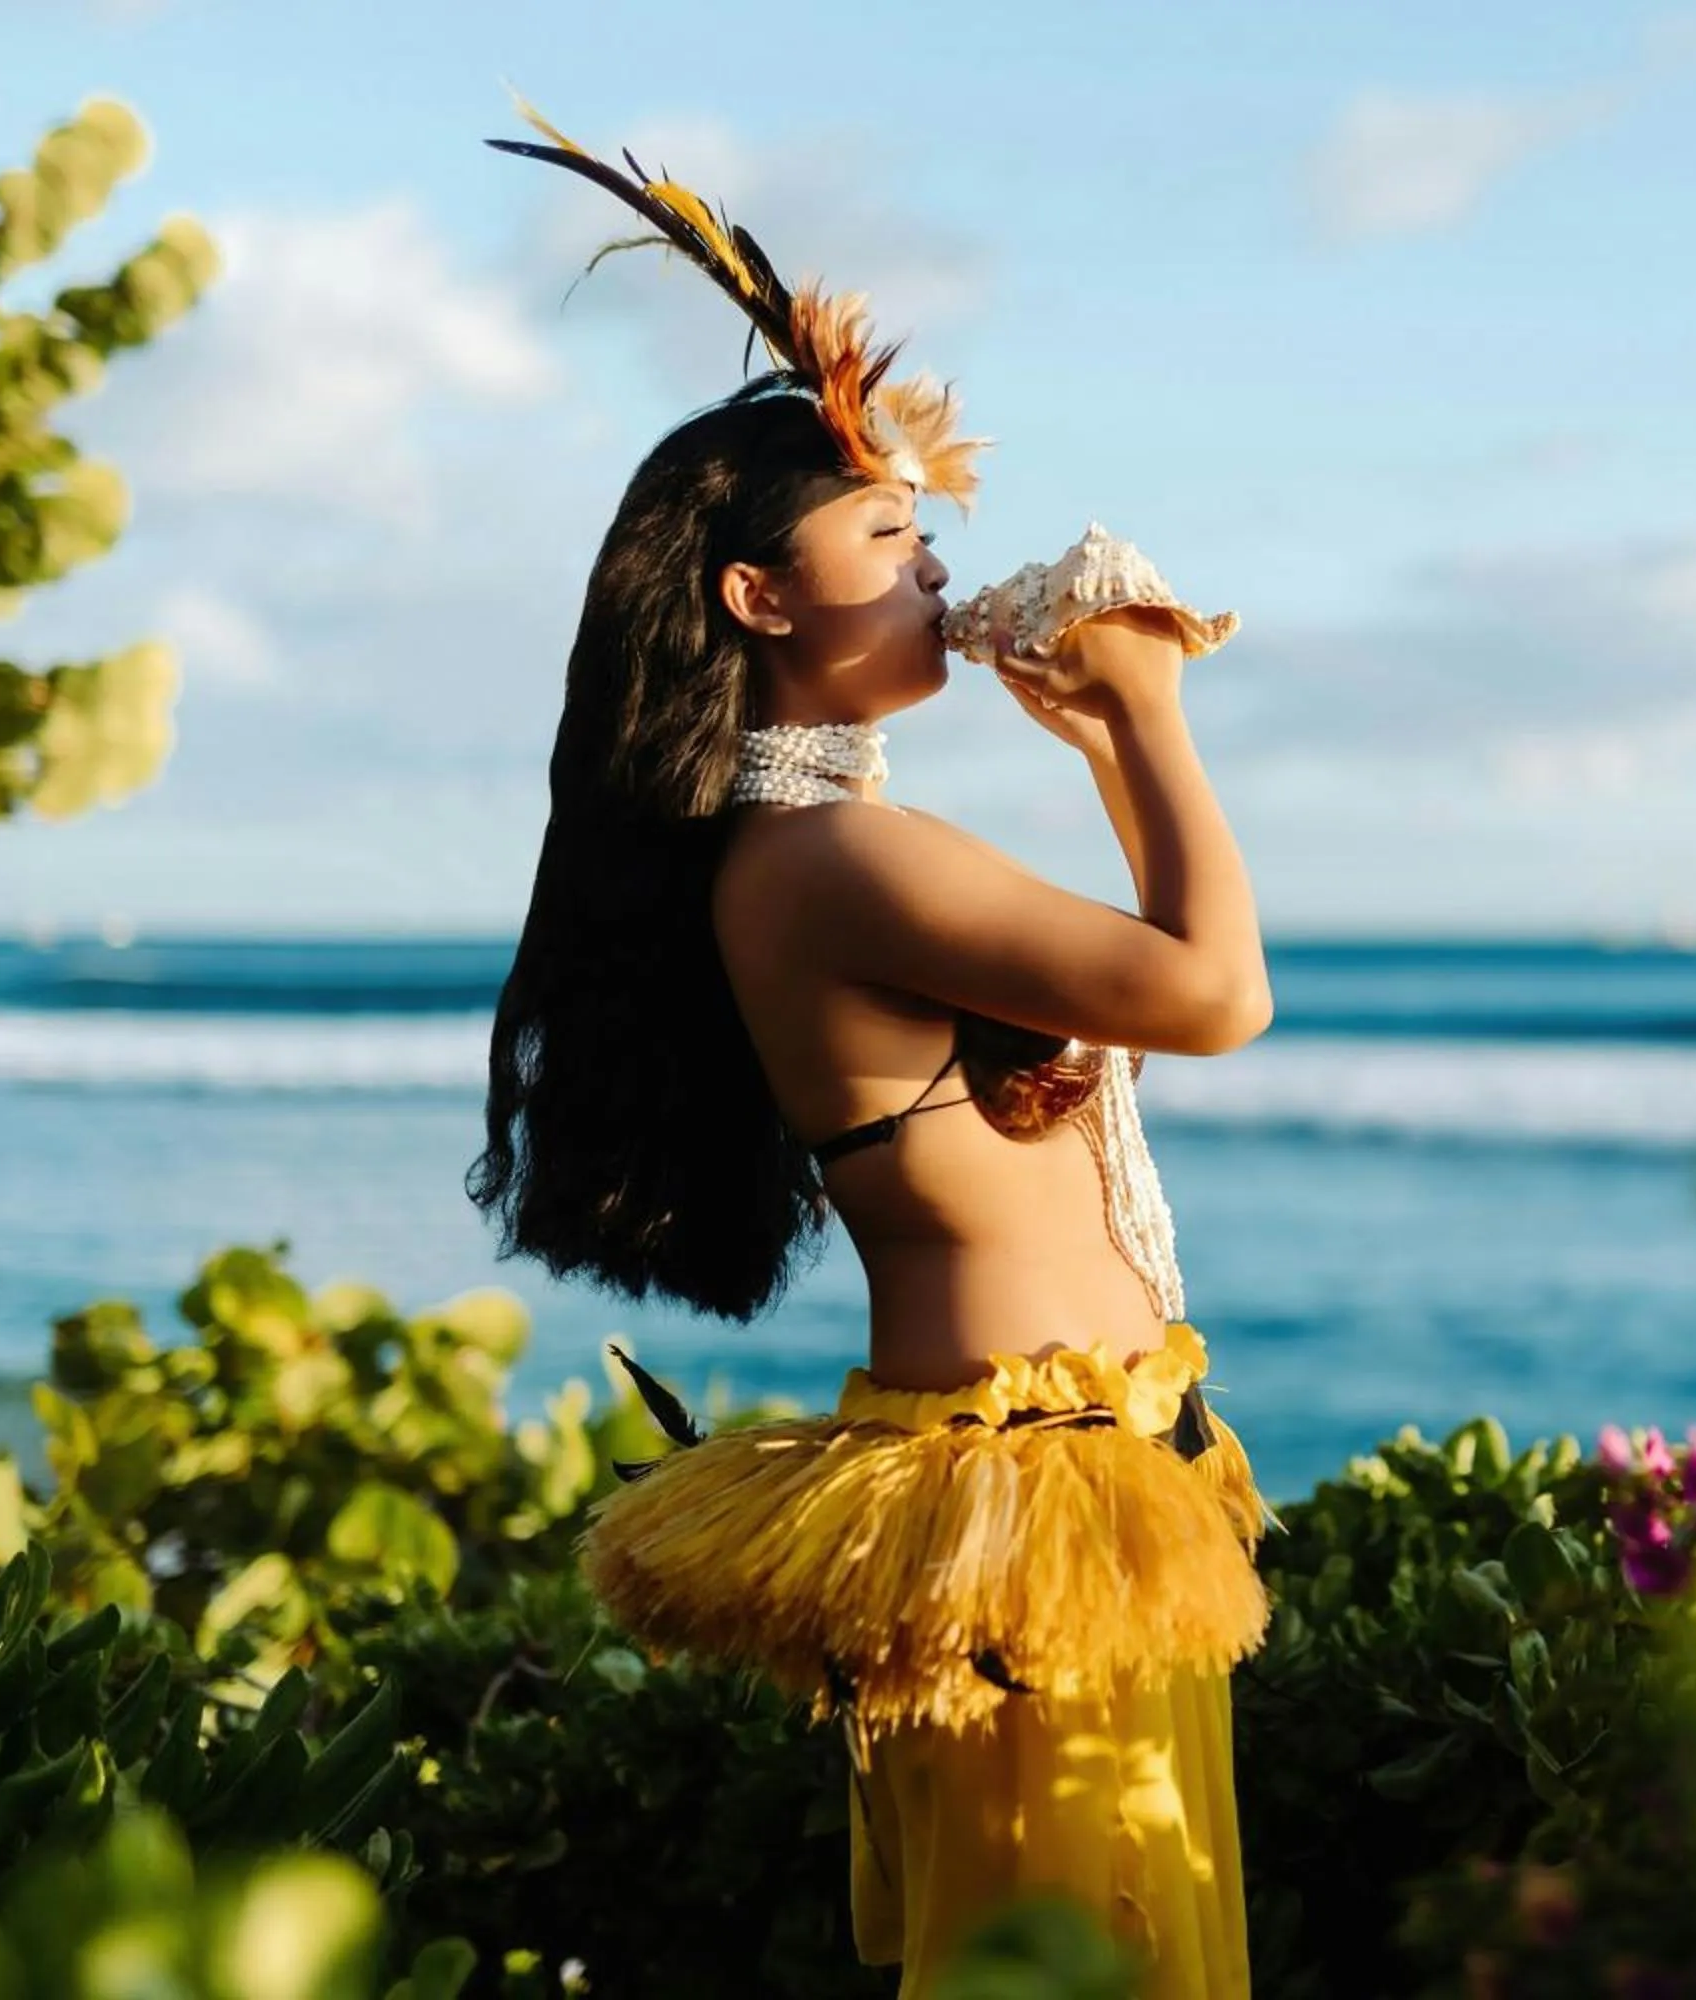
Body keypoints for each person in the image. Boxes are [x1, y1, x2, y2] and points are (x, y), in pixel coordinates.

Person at [466, 108, 1271, 1999]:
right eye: (885, 535)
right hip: (1030, 1483)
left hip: (1060, 1457)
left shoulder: (813, 850)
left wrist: (1095, 752)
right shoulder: (832, 856)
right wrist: (1148, 711)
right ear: (760, 598)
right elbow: (1218, 993)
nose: (930, 569)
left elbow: (1152, 978)